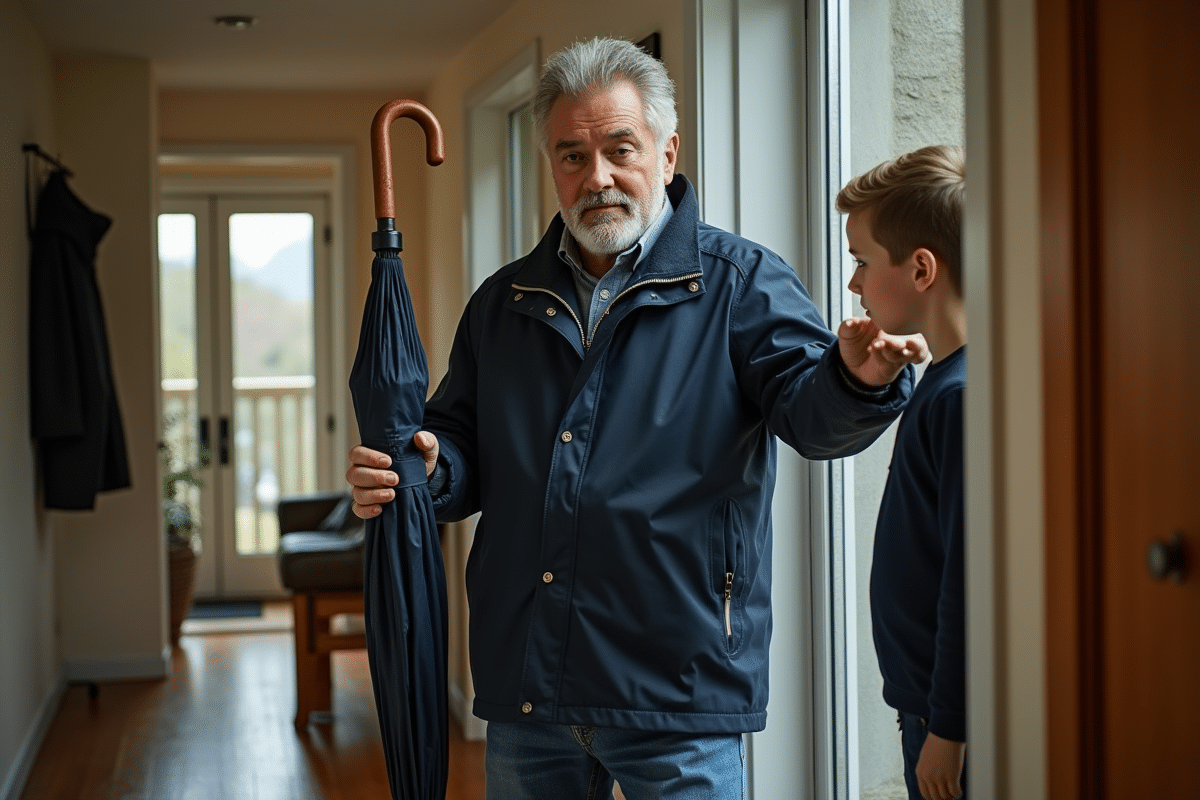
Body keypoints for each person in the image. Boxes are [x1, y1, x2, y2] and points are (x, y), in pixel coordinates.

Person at [348, 36, 925, 799]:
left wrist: (854, 379)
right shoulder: (503, 303)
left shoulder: (741, 284)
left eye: (621, 149)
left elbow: (811, 417)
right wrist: (423, 468)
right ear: (552, 166)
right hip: (528, 689)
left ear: (667, 151)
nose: (599, 178)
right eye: (572, 156)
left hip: (678, 692)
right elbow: (458, 444)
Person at [837, 144, 967, 800]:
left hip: (947, 722)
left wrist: (949, 727)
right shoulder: (949, 379)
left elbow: (970, 577)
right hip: (929, 707)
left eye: (861, 261)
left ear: (921, 269)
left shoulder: (960, 398)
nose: (854, 283)